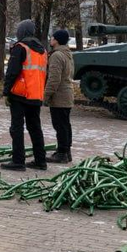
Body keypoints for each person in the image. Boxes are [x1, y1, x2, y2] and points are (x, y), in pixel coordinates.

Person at [0, 19, 49, 171]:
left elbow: (12, 72)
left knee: (17, 128)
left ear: (21, 32)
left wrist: (6, 92)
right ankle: (40, 161)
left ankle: (18, 161)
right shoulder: (42, 50)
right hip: (36, 95)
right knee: (35, 128)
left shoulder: (20, 48)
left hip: (20, 95)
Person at [45, 28, 75, 163]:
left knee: (60, 125)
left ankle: (62, 153)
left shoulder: (57, 55)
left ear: (56, 40)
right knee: (65, 124)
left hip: (60, 96)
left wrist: (46, 96)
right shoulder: (67, 53)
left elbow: (54, 79)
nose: (51, 39)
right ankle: (66, 151)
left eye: (52, 37)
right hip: (67, 94)